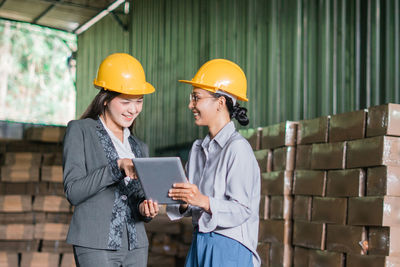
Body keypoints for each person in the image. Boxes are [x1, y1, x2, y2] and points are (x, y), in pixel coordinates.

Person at [63, 53, 159, 267]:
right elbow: (73, 192)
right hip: (95, 244)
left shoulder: (139, 147)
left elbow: (140, 200)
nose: (133, 109)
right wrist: (117, 167)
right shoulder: (80, 131)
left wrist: (146, 210)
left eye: (139, 101)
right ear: (105, 99)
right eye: (126, 101)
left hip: (136, 247)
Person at [167, 59, 261, 267]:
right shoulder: (198, 148)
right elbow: (194, 204)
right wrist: (184, 200)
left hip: (230, 247)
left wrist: (202, 201)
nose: (190, 105)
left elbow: (242, 210)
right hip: (200, 242)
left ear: (220, 102)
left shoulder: (237, 148)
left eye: (196, 97)